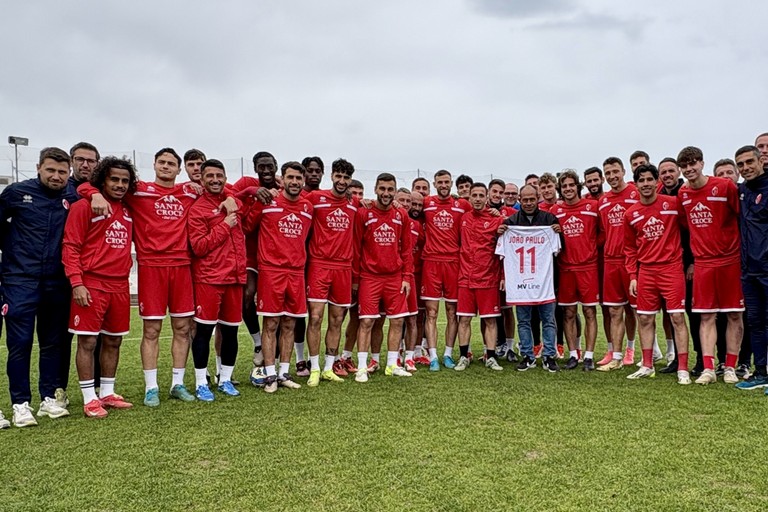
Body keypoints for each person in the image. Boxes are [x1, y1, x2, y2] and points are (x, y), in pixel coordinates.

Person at [83, 148, 237, 406]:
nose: (166, 167)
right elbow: (87, 187)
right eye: (162, 162)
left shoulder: (189, 191)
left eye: (171, 164)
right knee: (152, 329)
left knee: (182, 327)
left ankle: (177, 383)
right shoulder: (137, 191)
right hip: (151, 267)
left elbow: (223, 186)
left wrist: (230, 196)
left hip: (182, 268)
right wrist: (95, 192)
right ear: (154, 165)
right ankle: (151, 387)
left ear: (180, 170)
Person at [1, 147, 79, 427]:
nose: (56, 176)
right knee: (20, 343)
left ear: (68, 172)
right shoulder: (16, 193)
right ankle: (20, 403)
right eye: (51, 170)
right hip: (20, 279)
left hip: (57, 281)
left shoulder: (73, 195)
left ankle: (49, 397)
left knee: (52, 343)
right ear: (38, 168)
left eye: (62, 171)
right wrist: (12, 254)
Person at [63, 156, 137, 417]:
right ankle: (88, 397)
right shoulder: (83, 207)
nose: (119, 185)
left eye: (124, 180)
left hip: (119, 285)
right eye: (114, 179)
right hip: (91, 283)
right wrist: (77, 283)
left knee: (114, 341)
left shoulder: (128, 208)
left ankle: (107, 392)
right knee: (88, 341)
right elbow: (70, 246)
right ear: (102, 179)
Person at [187, 159, 256, 400]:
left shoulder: (231, 200)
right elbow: (198, 246)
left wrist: (232, 201)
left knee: (230, 333)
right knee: (204, 332)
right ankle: (200, 382)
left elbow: (245, 192)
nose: (215, 180)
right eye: (210, 176)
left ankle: (225, 379)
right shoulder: (197, 209)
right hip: (209, 279)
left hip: (234, 279)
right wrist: (225, 225)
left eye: (219, 175)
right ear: (201, 179)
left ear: (225, 178)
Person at [676, 147, 743, 385]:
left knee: (734, 314)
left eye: (693, 164)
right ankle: (708, 368)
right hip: (704, 263)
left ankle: (731, 368)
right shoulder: (683, 194)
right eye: (684, 166)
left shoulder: (724, 187)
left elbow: (740, 217)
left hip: (730, 260)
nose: (689, 169)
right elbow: (686, 226)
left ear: (702, 163)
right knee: (706, 315)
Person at [624, 164, 691, 385]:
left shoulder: (673, 205)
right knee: (644, 317)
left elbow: (688, 229)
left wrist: (691, 262)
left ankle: (682, 368)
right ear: (636, 184)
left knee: (677, 317)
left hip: (671, 268)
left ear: (656, 182)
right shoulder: (631, 213)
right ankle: (647, 365)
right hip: (646, 271)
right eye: (641, 180)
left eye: (649, 179)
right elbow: (630, 248)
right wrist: (633, 275)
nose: (646, 184)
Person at [251, 161, 314, 393]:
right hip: (271, 271)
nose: (295, 182)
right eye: (291, 177)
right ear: (282, 179)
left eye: (299, 178)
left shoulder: (308, 207)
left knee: (290, 323)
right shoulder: (268, 203)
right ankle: (269, 375)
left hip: (296, 272)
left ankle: (283, 373)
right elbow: (248, 226)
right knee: (271, 323)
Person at [352, 173, 413, 382]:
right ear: (376, 189)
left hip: (395, 276)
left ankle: (392, 365)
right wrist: (356, 279)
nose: (386, 193)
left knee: (397, 321)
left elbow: (406, 249)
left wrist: (406, 277)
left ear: (394, 191)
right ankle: (361, 367)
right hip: (370, 276)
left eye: (390, 190)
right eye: (382, 189)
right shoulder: (363, 214)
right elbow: (356, 248)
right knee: (367, 321)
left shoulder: (401, 215)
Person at [496, 185, 562, 373]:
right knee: (523, 321)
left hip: (544, 281)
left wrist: (559, 232)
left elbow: (559, 249)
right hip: (521, 281)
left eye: (532, 199)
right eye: (524, 199)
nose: (528, 203)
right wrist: (500, 233)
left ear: (537, 198)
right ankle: (528, 355)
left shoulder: (549, 220)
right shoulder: (511, 223)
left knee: (548, 319)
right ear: (519, 199)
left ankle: (549, 355)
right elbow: (500, 250)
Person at [304, 159, 357, 386]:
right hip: (319, 265)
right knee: (315, 318)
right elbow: (293, 200)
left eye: (346, 177)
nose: (342, 181)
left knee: (337, 319)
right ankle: (314, 367)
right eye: (339, 176)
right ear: (331, 176)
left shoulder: (354, 204)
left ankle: (328, 367)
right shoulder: (316, 199)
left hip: (343, 268)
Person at [234, 152, 279, 387]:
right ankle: (258, 341)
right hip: (252, 255)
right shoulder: (247, 184)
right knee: (247, 296)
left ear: (276, 167)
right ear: (255, 168)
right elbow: (248, 225)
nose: (266, 170)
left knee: (281, 310)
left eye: (270, 166)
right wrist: (256, 195)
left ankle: (281, 360)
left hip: (277, 257)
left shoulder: (284, 189)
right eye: (261, 167)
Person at [421, 170, 470, 370]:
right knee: (431, 312)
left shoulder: (461, 205)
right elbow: (407, 207)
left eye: (446, 182)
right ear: (434, 183)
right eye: (440, 182)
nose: (443, 185)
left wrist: (493, 212)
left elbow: (479, 212)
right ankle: (433, 356)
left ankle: (448, 354)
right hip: (431, 263)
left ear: (451, 184)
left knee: (452, 312)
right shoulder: (427, 203)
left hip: (453, 263)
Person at [551, 170, 601, 371]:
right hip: (566, 269)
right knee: (568, 313)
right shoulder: (556, 211)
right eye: (564, 186)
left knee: (589, 311)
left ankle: (589, 355)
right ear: (560, 190)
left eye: (572, 185)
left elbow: (603, 232)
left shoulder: (593, 207)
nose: (568, 189)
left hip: (588, 267)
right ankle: (573, 354)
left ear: (578, 186)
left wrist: (589, 248)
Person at [455, 183, 505, 371]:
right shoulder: (463, 218)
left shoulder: (496, 220)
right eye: (474, 195)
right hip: (466, 278)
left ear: (486, 198)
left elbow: (504, 248)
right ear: (469, 198)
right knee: (464, 320)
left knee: (490, 320)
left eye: (480, 195)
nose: (477, 198)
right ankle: (463, 356)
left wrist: (502, 275)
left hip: (488, 278)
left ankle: (490, 356)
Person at [658, 157, 701, 374]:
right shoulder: (658, 198)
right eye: (663, 172)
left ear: (678, 172)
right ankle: (676, 359)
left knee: (693, 314)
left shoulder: (685, 194)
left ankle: (701, 359)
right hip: (667, 266)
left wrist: (692, 262)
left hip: (688, 263)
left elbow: (693, 231)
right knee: (673, 313)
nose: (667, 175)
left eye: (670, 171)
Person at [595, 157, 638, 371]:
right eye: (608, 173)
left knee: (637, 310)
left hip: (631, 260)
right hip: (610, 261)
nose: (612, 176)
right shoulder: (603, 201)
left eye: (615, 171)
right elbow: (604, 231)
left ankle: (633, 350)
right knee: (614, 311)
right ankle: (616, 356)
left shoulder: (634, 193)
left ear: (623, 171)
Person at [734, 145, 768, 391]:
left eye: (749, 162)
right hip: (748, 270)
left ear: (760, 161)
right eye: (741, 164)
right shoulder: (743, 191)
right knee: (755, 322)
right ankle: (761, 372)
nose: (745, 167)